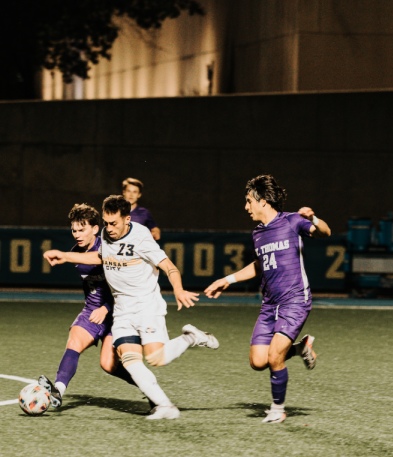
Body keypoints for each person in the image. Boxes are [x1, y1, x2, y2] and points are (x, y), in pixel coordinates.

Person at [44, 194, 218, 420]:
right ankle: (165, 405)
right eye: (106, 223)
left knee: (157, 358)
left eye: (113, 223)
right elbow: (101, 256)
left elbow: (169, 267)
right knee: (128, 360)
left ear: (127, 219)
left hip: (146, 306)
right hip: (122, 311)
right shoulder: (107, 234)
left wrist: (178, 290)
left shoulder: (141, 237)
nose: (109, 228)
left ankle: (191, 337)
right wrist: (66, 256)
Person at [204, 175, 329, 423]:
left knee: (274, 358)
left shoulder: (292, 221)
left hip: (294, 301)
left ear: (262, 201)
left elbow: (324, 232)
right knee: (258, 361)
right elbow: (260, 266)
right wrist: (226, 280)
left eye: (249, 201)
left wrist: (313, 217)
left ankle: (277, 409)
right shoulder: (258, 234)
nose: (246, 206)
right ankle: (301, 348)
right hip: (270, 305)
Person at [36, 203, 140, 408]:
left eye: (81, 229)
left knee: (108, 365)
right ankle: (58, 391)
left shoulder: (110, 248)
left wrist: (106, 308)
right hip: (92, 311)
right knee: (74, 341)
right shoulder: (76, 253)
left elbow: (124, 286)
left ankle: (147, 386)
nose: (76, 234)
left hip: (117, 312)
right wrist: (96, 309)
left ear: (95, 228)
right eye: (73, 230)